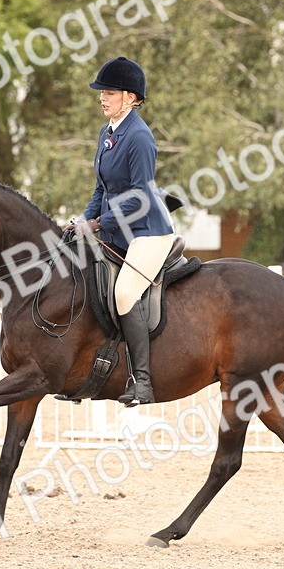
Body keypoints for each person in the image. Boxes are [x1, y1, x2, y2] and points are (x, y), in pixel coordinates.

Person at [66, 56, 176, 406]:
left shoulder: (140, 137)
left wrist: (100, 223)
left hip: (147, 231)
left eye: (109, 93)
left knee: (126, 292)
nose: (102, 98)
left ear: (130, 97)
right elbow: (101, 189)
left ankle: (142, 381)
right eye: (102, 93)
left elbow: (140, 196)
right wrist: (84, 220)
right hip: (117, 228)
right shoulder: (108, 133)